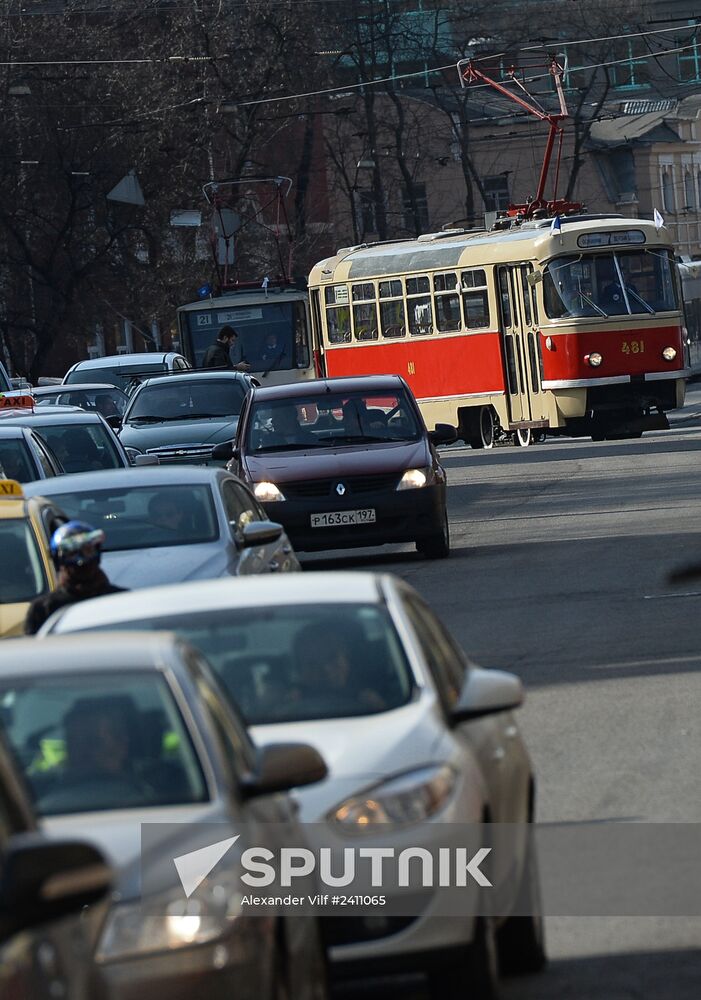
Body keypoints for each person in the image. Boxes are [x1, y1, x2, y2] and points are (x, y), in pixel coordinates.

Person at [24, 521, 127, 634]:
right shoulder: (43, 610)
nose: (81, 561)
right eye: (72, 553)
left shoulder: (122, 600)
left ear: (97, 554)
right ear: (59, 560)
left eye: (87, 551)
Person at [293, 622, 385, 712]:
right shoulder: (292, 703)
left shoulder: (374, 697)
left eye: (332, 658)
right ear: (300, 671)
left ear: (347, 658)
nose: (325, 669)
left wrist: (378, 708)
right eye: (312, 664)